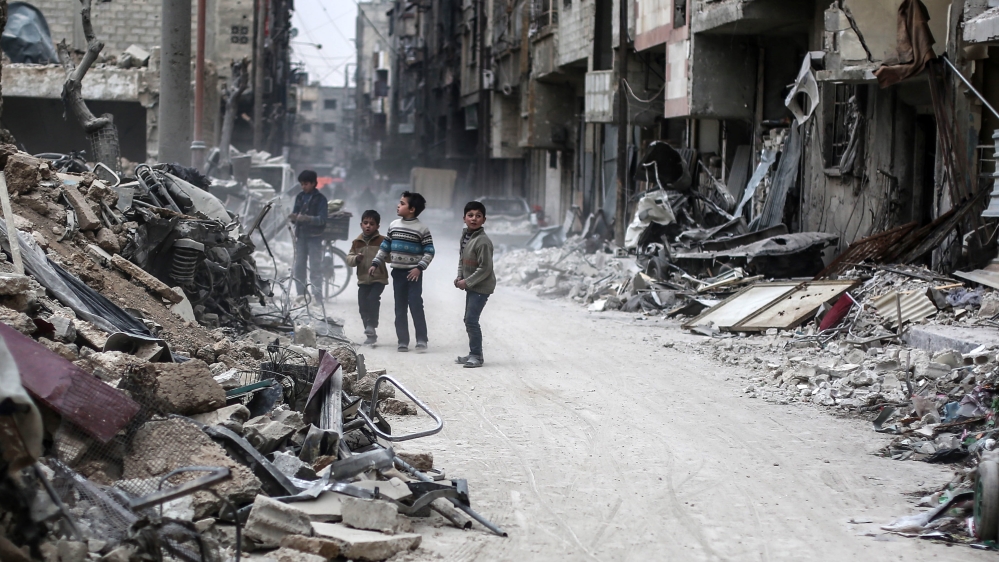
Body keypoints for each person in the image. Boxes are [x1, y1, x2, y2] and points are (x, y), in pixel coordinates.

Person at [369, 191, 435, 352]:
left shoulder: (422, 229)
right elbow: (385, 247)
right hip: (397, 273)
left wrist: (419, 268)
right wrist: (375, 263)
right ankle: (403, 340)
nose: (398, 205)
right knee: (400, 307)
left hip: (414, 275)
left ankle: (421, 339)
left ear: (412, 209)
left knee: (415, 305)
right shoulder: (393, 225)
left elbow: (429, 251)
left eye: (402, 203)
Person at [453, 201, 495, 368]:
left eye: (478, 216)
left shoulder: (483, 241)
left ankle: (476, 356)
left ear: (484, 220)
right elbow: (462, 260)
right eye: (470, 215)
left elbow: (485, 268)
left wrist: (467, 281)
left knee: (471, 320)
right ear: (464, 218)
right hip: (472, 285)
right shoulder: (466, 236)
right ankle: (474, 353)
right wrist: (459, 276)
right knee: (468, 319)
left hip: (481, 286)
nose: (474, 219)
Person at [346, 210, 388, 345]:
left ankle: (371, 324)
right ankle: (370, 333)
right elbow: (349, 258)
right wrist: (356, 259)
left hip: (378, 278)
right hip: (363, 279)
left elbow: (389, 257)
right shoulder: (357, 242)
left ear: (377, 226)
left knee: (373, 299)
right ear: (361, 225)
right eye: (365, 223)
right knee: (363, 305)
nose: (368, 226)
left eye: (372, 223)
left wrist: (386, 254)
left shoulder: (383, 241)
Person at [289, 170, 328, 301]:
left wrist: (307, 218)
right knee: (299, 267)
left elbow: (322, 219)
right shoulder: (300, 197)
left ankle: (317, 296)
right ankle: (301, 295)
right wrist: (294, 217)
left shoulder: (320, 199)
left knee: (315, 267)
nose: (303, 187)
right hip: (301, 236)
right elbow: (295, 214)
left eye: (306, 184)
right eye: (302, 184)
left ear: (313, 183)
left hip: (315, 237)